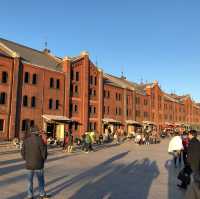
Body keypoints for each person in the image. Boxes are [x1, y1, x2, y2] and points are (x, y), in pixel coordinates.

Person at [21, 126, 50, 199]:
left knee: (29, 181)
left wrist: (26, 159)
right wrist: (43, 159)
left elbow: (22, 152)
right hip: (39, 164)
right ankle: (42, 194)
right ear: (37, 132)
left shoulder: (26, 140)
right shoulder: (40, 140)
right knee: (40, 180)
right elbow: (44, 153)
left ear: (31, 132)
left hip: (29, 164)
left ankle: (30, 195)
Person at [185, 130, 200, 199]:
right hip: (197, 163)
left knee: (193, 179)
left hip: (193, 163)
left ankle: (194, 194)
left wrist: (187, 162)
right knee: (195, 177)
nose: (188, 135)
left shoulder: (191, 142)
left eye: (189, 134)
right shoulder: (197, 141)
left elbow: (190, 153)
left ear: (192, 135)